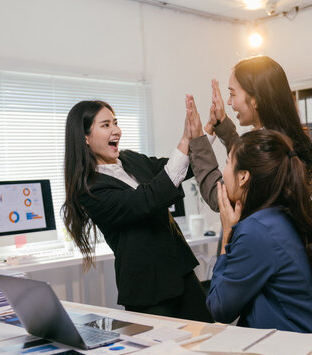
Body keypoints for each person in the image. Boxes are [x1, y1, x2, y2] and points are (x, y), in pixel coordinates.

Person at [61, 100, 212, 322]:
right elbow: (146, 200)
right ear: (85, 137)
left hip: (180, 273)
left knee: (207, 341)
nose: (116, 131)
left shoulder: (129, 159)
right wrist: (185, 139)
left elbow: (179, 168)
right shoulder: (90, 189)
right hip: (147, 289)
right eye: (105, 125)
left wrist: (208, 129)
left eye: (115, 122)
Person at [206, 129, 312, 332]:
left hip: (288, 349)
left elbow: (219, 308)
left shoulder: (255, 231)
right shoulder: (279, 215)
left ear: (243, 177)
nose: (223, 174)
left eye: (227, 162)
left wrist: (227, 234)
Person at [188, 55, 312, 211]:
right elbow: (248, 160)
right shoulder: (287, 140)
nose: (229, 102)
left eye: (232, 94)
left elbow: (221, 197)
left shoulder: (266, 150)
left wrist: (198, 142)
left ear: (255, 99)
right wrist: (222, 124)